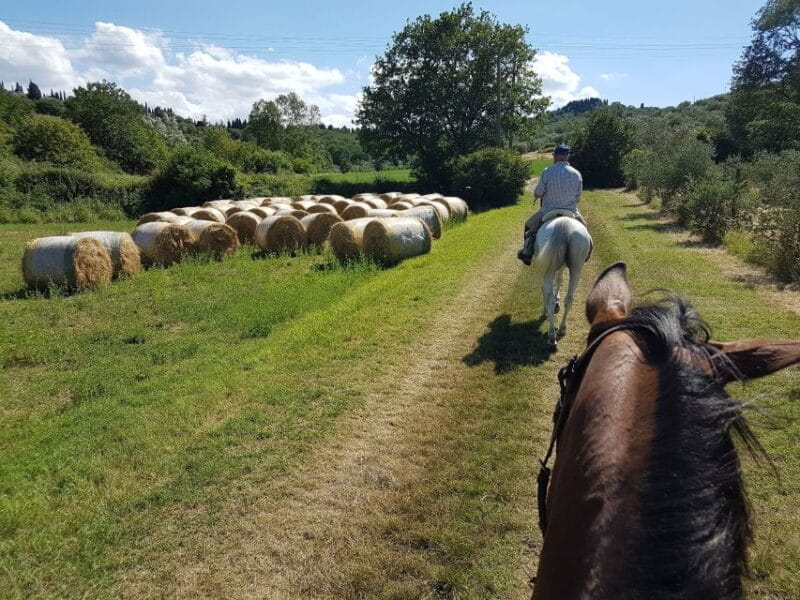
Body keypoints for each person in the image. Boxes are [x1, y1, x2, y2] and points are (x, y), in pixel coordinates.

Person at [517, 144, 589, 265]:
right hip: (571, 211)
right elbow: (577, 198)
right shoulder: (576, 174)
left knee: (528, 226)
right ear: (567, 157)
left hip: (548, 211)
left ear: (555, 156)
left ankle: (527, 253)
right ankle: (586, 254)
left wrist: (537, 196)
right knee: (585, 229)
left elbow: (538, 192)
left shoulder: (547, 172)